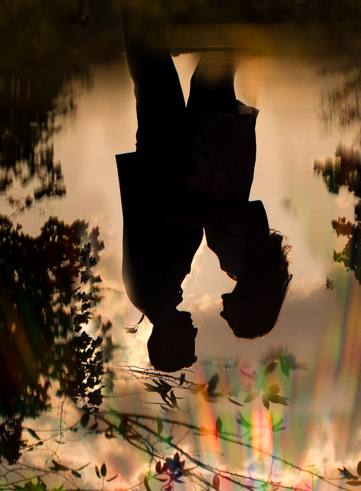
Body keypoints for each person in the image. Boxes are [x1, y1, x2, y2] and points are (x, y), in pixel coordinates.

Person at [116, 38, 290, 373]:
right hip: (199, 157)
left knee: (156, 69)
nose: (198, 330)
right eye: (233, 317)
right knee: (186, 73)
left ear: (169, 342)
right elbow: (242, 215)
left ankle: (141, 2)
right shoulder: (161, 291)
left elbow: (149, 217)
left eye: (188, 343)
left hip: (168, 155)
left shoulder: (154, 291)